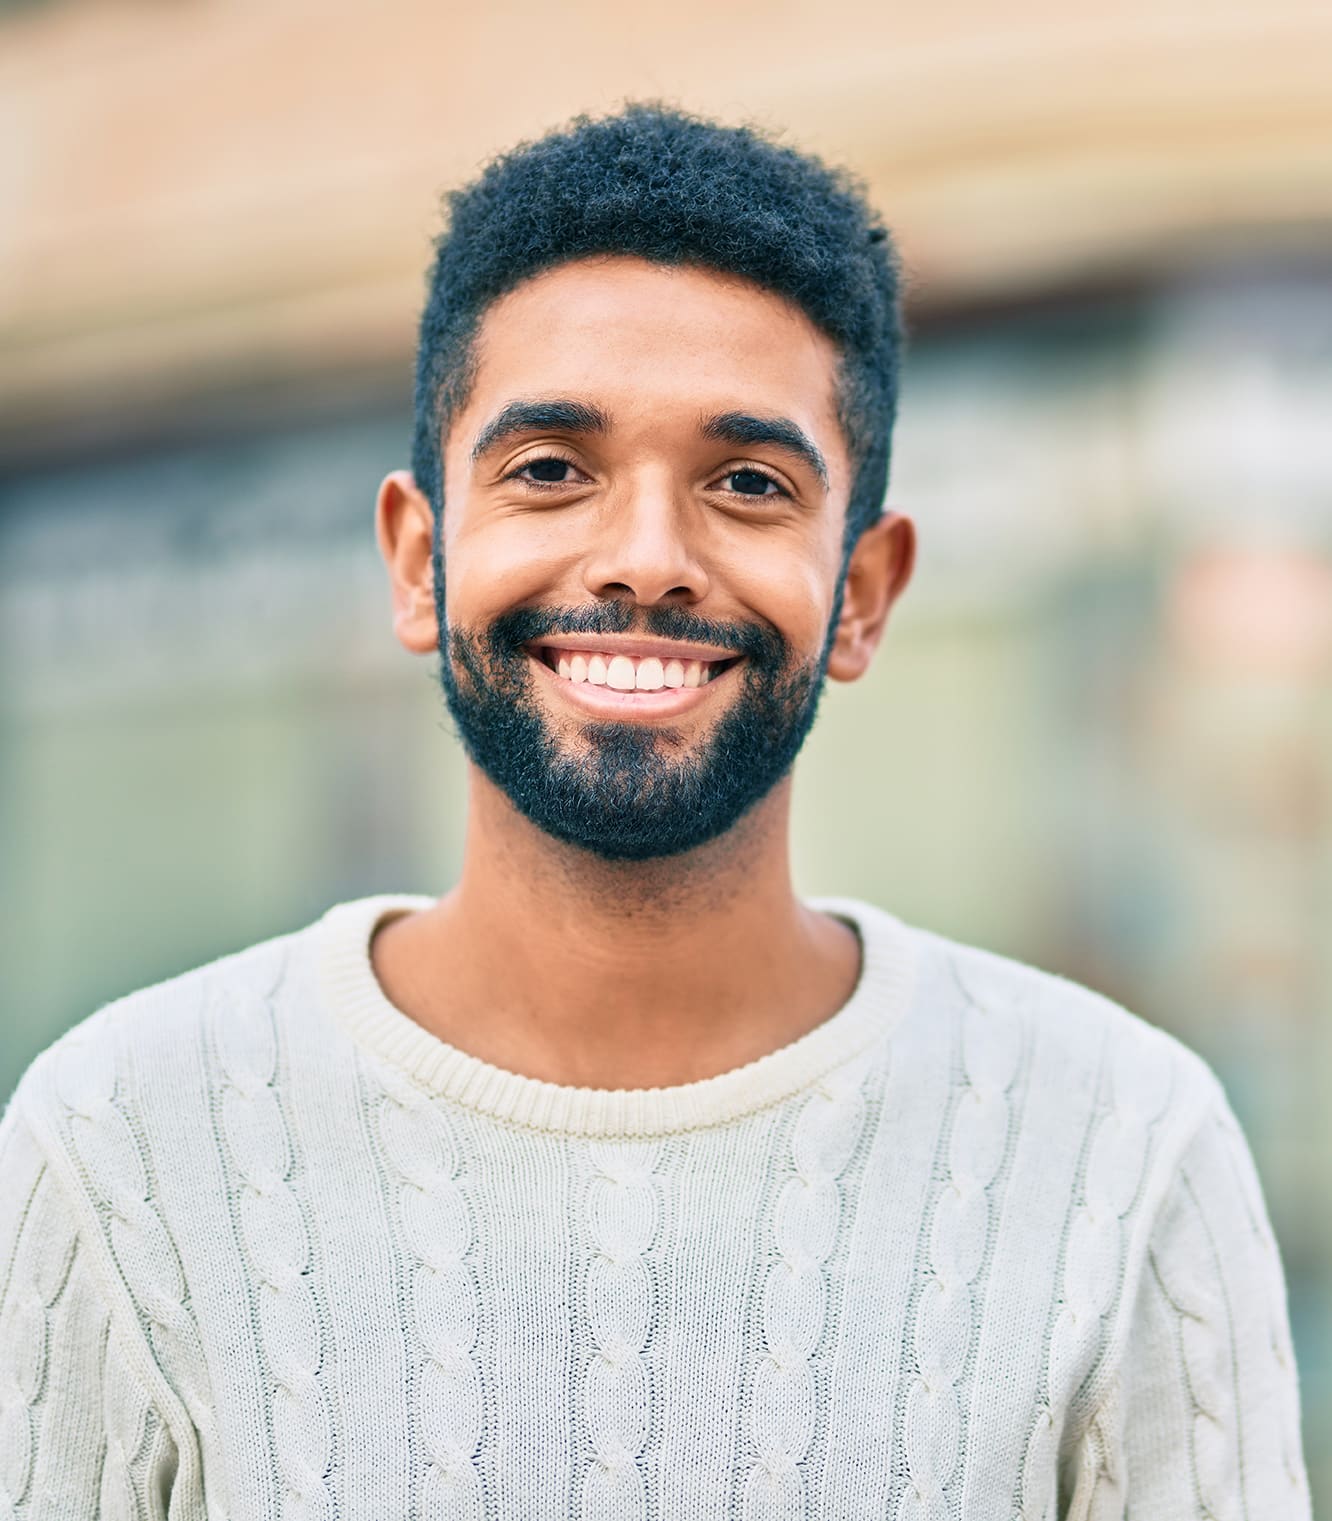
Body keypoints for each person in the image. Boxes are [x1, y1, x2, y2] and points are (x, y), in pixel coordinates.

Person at [0, 104, 1310, 1520]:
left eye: (746, 483)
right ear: (418, 561)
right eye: (551, 468)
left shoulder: (1122, 1149)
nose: (645, 560)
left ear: (863, 593)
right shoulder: (121, 1142)